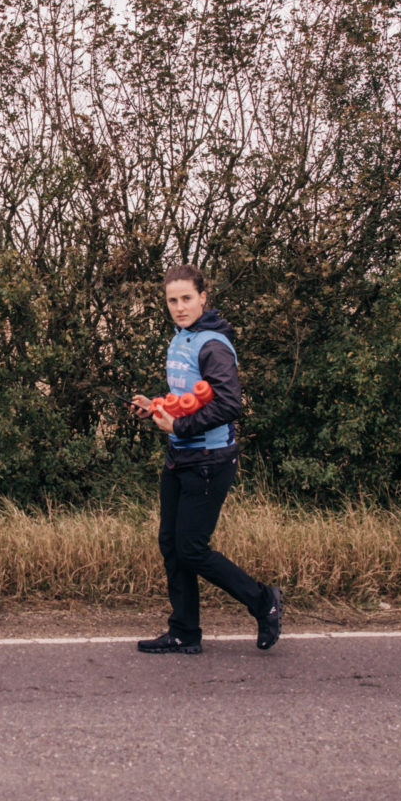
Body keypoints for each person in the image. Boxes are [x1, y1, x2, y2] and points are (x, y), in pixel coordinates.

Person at [130, 264, 282, 654]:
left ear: (203, 298)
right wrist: (158, 406)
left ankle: (264, 601)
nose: (179, 307)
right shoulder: (181, 337)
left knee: (192, 548)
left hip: (209, 460)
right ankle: (184, 632)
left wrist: (178, 429)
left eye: (186, 299)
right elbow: (192, 397)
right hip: (180, 457)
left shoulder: (212, 344)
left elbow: (230, 404)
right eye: (172, 300)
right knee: (171, 544)